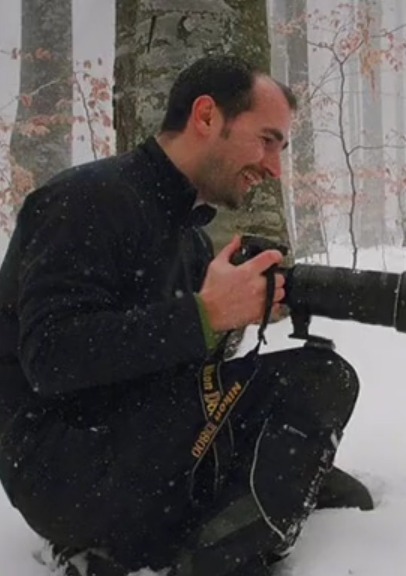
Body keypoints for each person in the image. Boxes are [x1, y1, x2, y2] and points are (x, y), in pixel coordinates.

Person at [0, 54, 372, 576]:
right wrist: (204, 314)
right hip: (66, 469)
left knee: (314, 372)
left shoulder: (192, 238)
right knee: (317, 379)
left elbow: (174, 363)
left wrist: (235, 317)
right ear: (205, 117)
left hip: (146, 442)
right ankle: (208, 554)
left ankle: (229, 508)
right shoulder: (83, 201)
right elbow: (51, 358)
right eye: (267, 140)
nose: (273, 167)